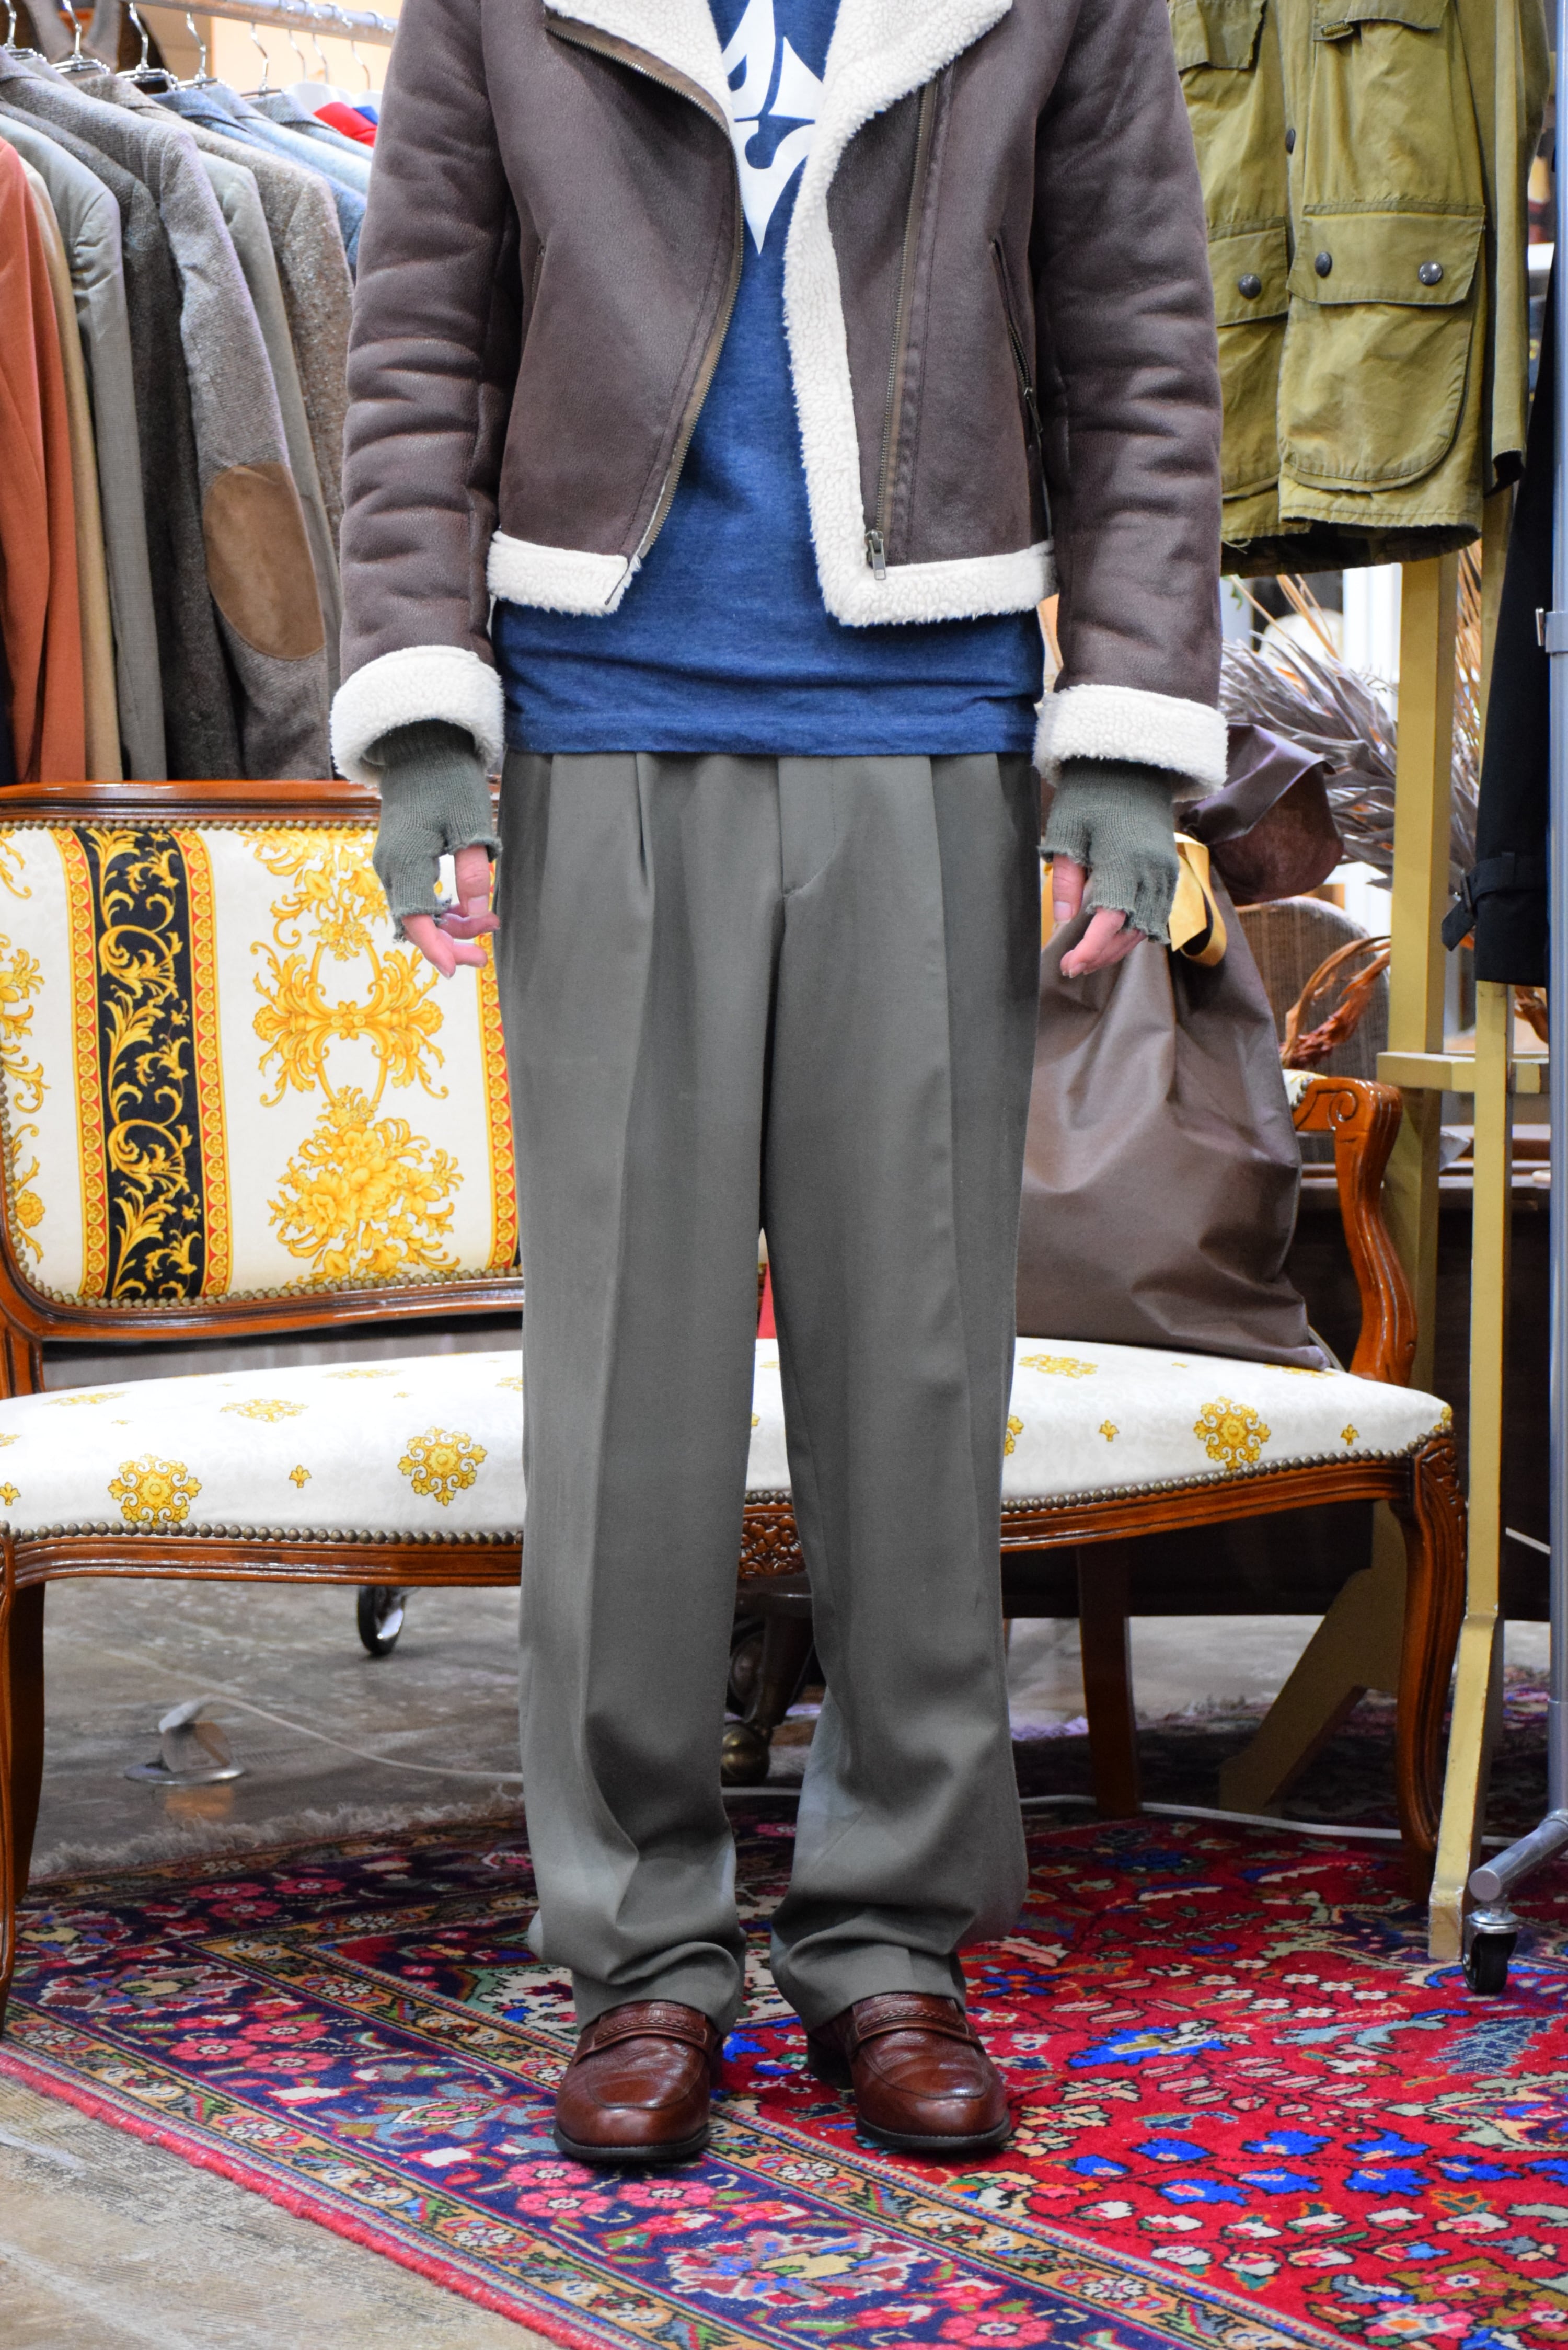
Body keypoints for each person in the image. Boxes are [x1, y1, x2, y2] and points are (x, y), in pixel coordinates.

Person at [331, 0, 1224, 2163]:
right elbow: (421, 338)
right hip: (600, 719)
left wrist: (1126, 733)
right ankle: (639, 1955)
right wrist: (423, 710)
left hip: (927, 735)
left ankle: (891, 1939)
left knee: (915, 1373)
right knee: (623, 1391)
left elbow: (1140, 355)